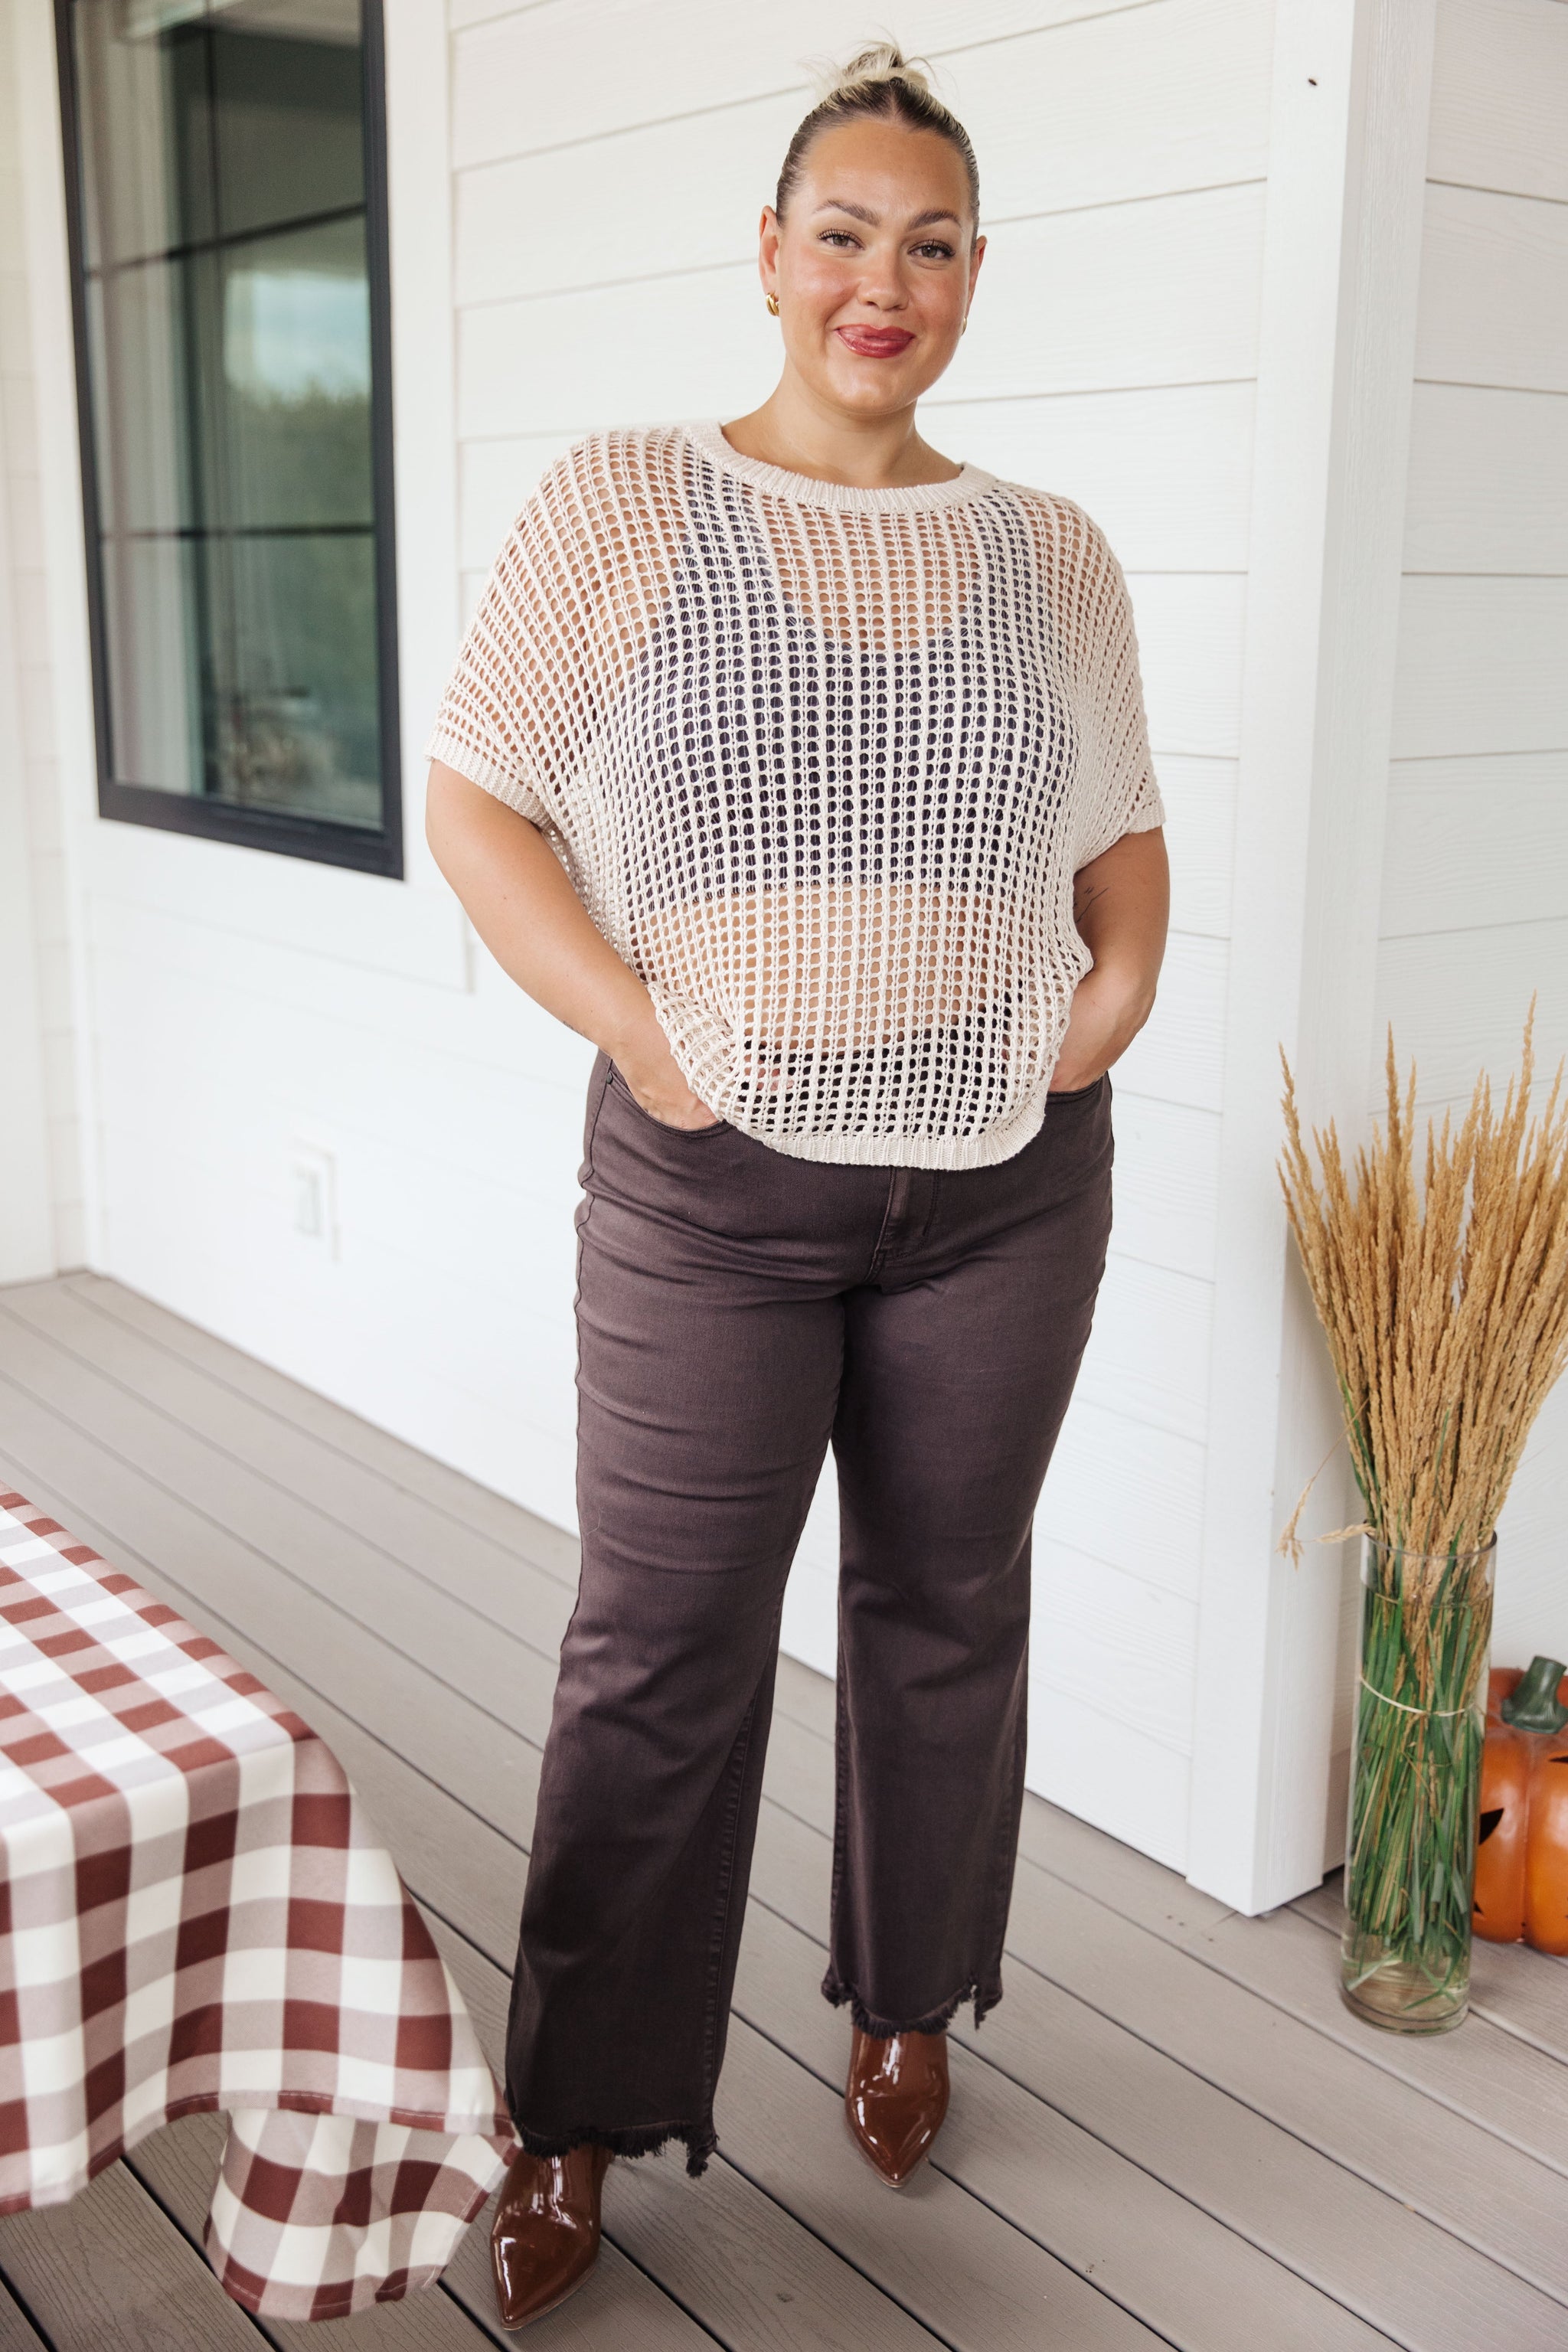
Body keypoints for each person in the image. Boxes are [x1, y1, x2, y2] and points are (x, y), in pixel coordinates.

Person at [425, 41, 1168, 2331]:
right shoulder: (629, 503)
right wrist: (645, 1036)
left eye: (930, 245)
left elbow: (1123, 835)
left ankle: (908, 2003)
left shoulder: (1050, 551)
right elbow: (478, 799)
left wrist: (1108, 1010)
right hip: (710, 1189)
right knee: (660, 1648)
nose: (884, 281)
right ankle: (576, 2114)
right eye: (844, 233)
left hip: (1004, 1189)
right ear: (769, 255)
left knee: (949, 1606)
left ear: (974, 279)